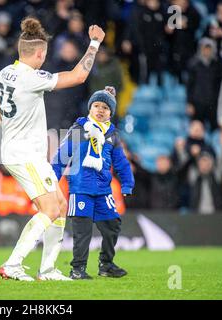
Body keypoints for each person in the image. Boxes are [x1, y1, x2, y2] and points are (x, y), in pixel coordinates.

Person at [0, 17, 105, 281]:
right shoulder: (31, 78)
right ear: (40, 54)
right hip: (26, 154)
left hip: (15, 150)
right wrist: (95, 43)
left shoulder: (3, 74)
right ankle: (12, 264)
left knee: (60, 203)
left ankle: (48, 270)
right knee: (50, 209)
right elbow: (79, 76)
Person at [52, 87, 134, 279]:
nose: (100, 109)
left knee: (112, 225)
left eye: (105, 107)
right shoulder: (79, 130)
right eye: (96, 105)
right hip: (81, 189)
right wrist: (52, 182)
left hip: (104, 191)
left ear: (110, 113)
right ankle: (77, 269)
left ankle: (106, 265)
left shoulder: (112, 135)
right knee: (83, 233)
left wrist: (127, 184)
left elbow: (121, 162)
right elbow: (61, 158)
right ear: (90, 108)